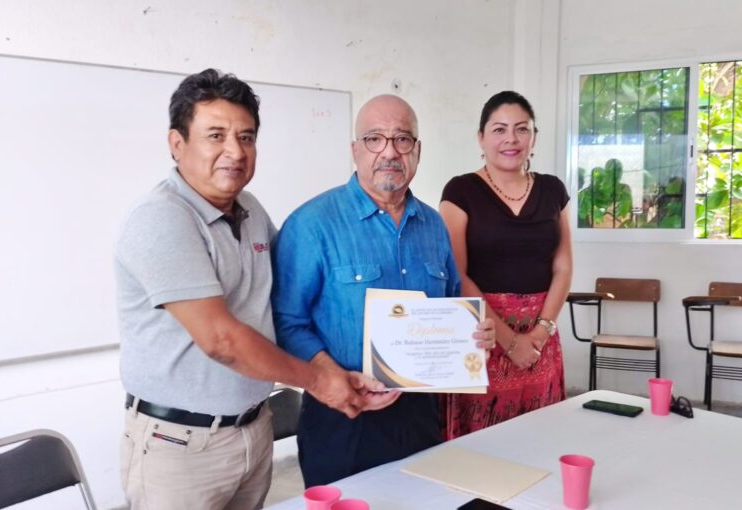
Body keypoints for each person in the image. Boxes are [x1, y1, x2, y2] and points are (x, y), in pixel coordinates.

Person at [114, 69, 381, 510]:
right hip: (180, 447)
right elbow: (221, 340)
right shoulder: (162, 219)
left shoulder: (250, 210)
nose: (234, 152)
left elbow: (296, 288)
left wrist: (360, 358)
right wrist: (320, 380)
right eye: (215, 135)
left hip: (253, 432)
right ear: (177, 144)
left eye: (247, 137)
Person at [271, 94, 496, 487]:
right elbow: (286, 321)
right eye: (375, 139)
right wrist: (332, 376)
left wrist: (477, 335)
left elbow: (451, 307)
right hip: (342, 417)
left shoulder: (432, 225)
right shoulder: (311, 225)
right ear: (355, 150)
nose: (389, 152)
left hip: (421, 413)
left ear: (418, 151)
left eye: (403, 139)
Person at [438, 91, 572, 439]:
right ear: (481, 137)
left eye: (521, 129)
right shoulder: (460, 191)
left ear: (534, 137)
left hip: (541, 340)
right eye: (499, 129)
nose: (511, 139)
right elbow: (457, 274)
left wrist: (539, 335)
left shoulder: (553, 190)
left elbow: (563, 267)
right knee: (481, 448)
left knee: (539, 441)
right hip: (483, 336)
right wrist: (511, 341)